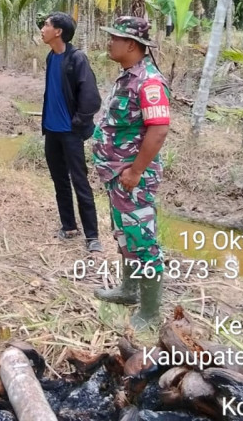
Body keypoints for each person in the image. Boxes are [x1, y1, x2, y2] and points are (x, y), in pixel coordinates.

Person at [91, 16, 170, 329]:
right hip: (118, 176)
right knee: (125, 234)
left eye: (115, 38)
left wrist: (136, 171)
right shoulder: (128, 77)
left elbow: (159, 130)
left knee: (143, 241)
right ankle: (128, 290)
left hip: (133, 178)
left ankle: (150, 313)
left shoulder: (149, 82)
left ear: (132, 45)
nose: (109, 43)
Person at [39, 12, 103, 253]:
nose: (42, 29)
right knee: (59, 181)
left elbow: (90, 97)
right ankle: (69, 226)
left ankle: (93, 236)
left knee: (80, 181)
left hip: (70, 133)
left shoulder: (77, 59)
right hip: (52, 132)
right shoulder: (50, 58)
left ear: (58, 32)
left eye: (46, 25)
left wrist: (78, 124)